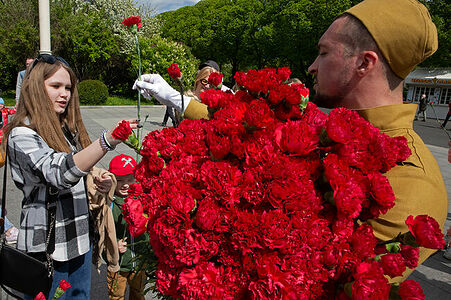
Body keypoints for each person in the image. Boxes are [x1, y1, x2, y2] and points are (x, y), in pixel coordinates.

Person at [134, 0, 447, 282]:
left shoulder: (411, 179)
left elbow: (330, 280)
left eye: (324, 53)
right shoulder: (326, 123)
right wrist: (177, 99)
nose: (311, 65)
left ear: (365, 63)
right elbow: (250, 133)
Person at [2, 54, 138, 299]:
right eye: (55, 86)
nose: (64, 93)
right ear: (34, 88)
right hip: (47, 249)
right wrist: (108, 140)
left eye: (68, 87)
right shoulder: (21, 133)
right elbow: (58, 172)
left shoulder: (63, 128)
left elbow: (77, 172)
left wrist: (99, 181)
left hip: (79, 242)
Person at [106, 154, 148, 300]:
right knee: (116, 294)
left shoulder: (142, 199)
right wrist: (114, 244)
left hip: (139, 260)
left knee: (138, 292)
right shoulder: (109, 205)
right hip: (119, 264)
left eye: (130, 179)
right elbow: (103, 232)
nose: (125, 184)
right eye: (119, 180)